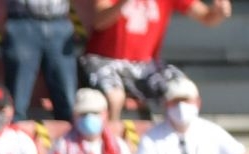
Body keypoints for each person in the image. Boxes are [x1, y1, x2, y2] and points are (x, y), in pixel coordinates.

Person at [83, 0, 232, 125]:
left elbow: (207, 17)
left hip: (146, 65)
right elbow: (99, 22)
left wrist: (219, 13)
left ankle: (176, 140)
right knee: (115, 97)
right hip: (103, 59)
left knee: (182, 89)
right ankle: (111, 142)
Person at [3, 0, 79, 123]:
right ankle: (14, 132)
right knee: (17, 97)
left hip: (59, 21)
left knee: (67, 98)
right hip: (22, 20)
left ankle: (69, 134)